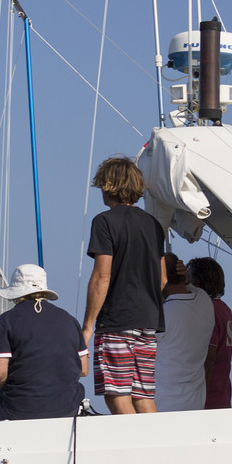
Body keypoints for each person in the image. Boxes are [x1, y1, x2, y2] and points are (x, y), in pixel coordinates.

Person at [83, 155, 167, 414]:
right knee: (143, 394)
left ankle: (137, 451)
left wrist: (87, 327)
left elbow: (101, 277)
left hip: (118, 320)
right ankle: (157, 449)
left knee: (116, 393)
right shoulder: (153, 224)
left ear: (109, 187)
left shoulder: (104, 222)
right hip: (149, 321)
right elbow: (162, 279)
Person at [0, 263, 88, 420]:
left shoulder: (7, 321)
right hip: (67, 408)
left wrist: (6, 388)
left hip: (19, 409)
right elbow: (83, 370)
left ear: (17, 292)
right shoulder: (70, 320)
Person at [155, 254, 214, 412]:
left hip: (163, 409)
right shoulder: (205, 302)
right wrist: (184, 278)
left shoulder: (162, 317)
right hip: (194, 406)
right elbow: (189, 289)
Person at [188, 256, 232, 408]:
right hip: (222, 396)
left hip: (207, 401)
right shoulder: (224, 309)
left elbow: (209, 355)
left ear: (197, 282)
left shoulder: (208, 309)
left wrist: (198, 396)